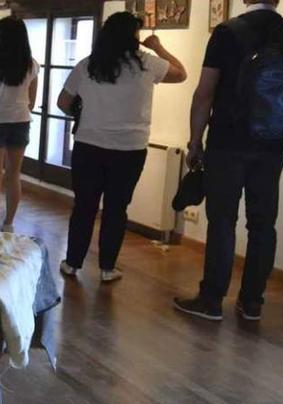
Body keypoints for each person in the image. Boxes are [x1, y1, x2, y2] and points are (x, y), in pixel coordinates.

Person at [174, 0, 283, 321]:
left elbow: (204, 93)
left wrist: (195, 140)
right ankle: (252, 303)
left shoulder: (227, 33)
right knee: (263, 224)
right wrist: (281, 130)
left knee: (222, 221)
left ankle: (211, 300)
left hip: (227, 142)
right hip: (272, 148)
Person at [57, 12, 186, 282]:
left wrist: (85, 112)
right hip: (130, 149)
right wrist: (157, 45)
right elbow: (181, 74)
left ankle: (72, 263)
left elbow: (63, 102)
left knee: (84, 206)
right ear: (133, 37)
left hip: (89, 145)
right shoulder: (148, 64)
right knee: (117, 208)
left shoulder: (88, 65)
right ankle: (106, 268)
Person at [0, 16, 40, 233]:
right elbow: (32, 102)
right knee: (14, 175)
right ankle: (9, 224)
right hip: (21, 121)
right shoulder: (32, 65)